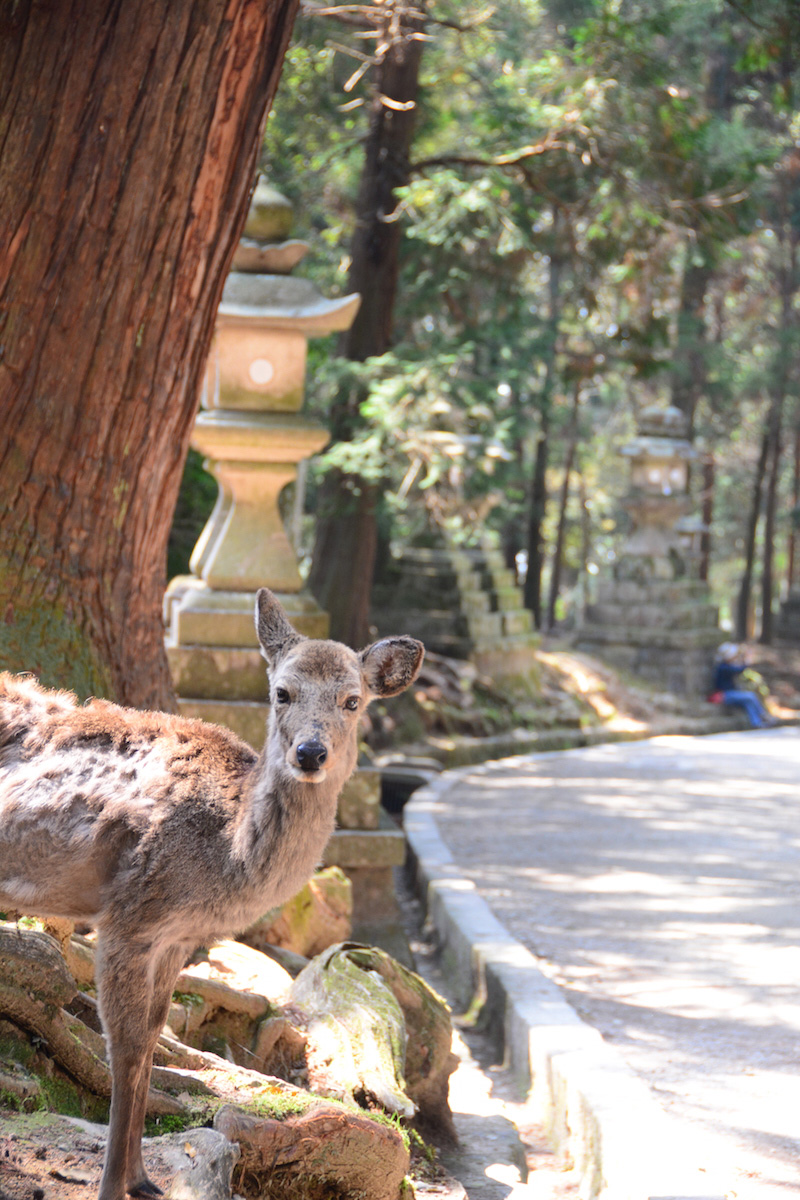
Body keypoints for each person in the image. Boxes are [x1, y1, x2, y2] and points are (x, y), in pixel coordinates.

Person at [710, 643, 774, 728]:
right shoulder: (723, 667)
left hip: (730, 694)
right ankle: (763, 715)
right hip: (724, 695)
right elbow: (739, 669)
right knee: (750, 696)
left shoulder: (726, 666)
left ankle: (756, 723)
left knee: (748, 702)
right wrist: (747, 661)